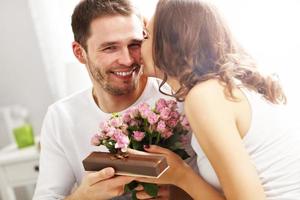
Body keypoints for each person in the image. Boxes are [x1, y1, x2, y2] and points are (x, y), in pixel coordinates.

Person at [32, 0, 198, 200]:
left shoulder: (178, 97)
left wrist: (178, 194)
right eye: (110, 48)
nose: (127, 60)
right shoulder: (61, 117)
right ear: (79, 52)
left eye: (134, 44)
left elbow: (223, 185)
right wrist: (83, 197)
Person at [136, 0, 300, 199]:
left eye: (146, 36)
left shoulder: (206, 96)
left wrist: (181, 175)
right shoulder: (226, 87)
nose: (137, 47)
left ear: (171, 43)